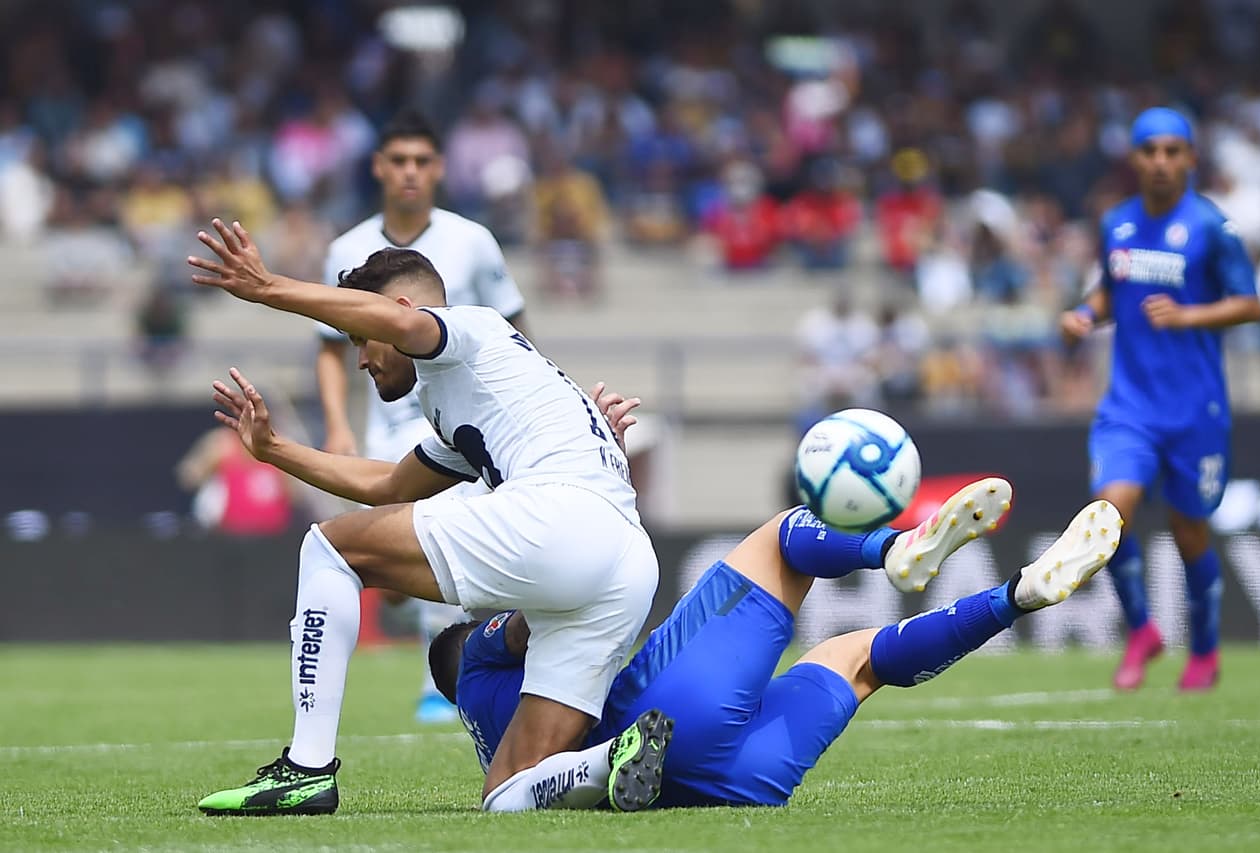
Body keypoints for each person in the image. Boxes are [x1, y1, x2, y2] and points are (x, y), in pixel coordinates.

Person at [188, 228, 664, 814]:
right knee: (507, 794)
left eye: (363, 338)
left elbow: (410, 329)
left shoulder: (473, 327)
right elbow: (388, 486)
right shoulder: (471, 396)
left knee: (328, 549)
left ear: (400, 315)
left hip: (560, 517)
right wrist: (275, 449)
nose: (361, 356)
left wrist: (268, 288)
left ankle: (305, 769)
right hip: (627, 563)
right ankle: (608, 758)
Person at [431, 474, 1122, 808]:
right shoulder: (479, 656)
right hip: (667, 715)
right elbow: (551, 607)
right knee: (783, 539)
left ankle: (1018, 592)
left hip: (725, 786)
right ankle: (898, 549)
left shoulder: (497, 740)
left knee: (857, 658)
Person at [315, 109, 529, 724]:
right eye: (398, 160)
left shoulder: (471, 242)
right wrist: (336, 424)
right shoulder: (348, 249)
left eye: (421, 161)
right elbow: (331, 349)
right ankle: (447, 649)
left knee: (436, 530)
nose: (410, 172)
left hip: (451, 426)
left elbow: (513, 330)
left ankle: (442, 685)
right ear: (379, 168)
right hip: (384, 426)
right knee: (399, 563)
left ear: (437, 168)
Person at [1059, 107, 1260, 692]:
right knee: (1108, 516)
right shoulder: (1117, 223)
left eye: (1173, 151)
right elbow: (1108, 292)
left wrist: (1189, 314)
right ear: (1135, 158)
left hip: (1195, 412)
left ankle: (1204, 651)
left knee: (1189, 533)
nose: (1161, 162)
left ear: (1191, 159)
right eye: (1150, 151)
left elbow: (1249, 303)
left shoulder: (1211, 228)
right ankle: (1142, 630)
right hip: (1129, 407)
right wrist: (1083, 315)